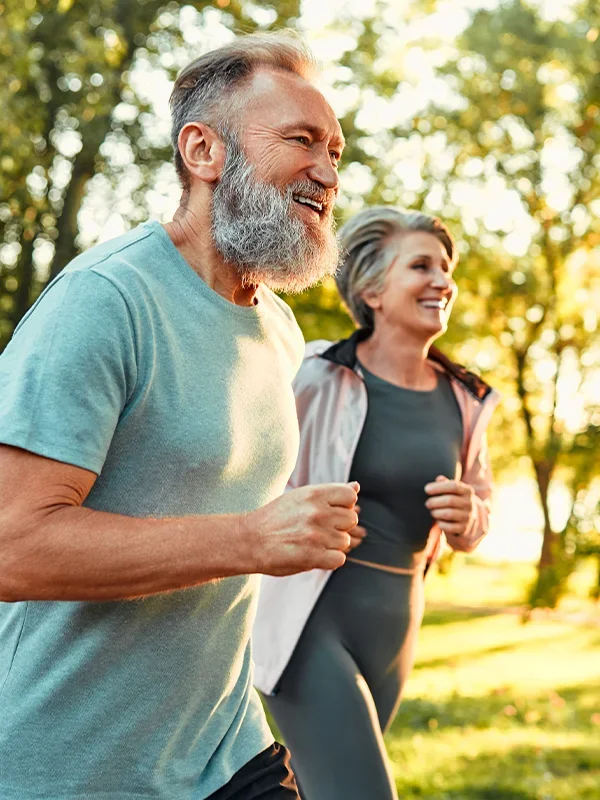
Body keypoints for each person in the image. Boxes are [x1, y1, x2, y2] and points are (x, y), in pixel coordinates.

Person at [0, 33, 362, 800]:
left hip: (226, 750)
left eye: (335, 150)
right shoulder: (105, 301)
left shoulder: (277, 328)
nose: (329, 173)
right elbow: (11, 547)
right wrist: (252, 538)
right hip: (72, 764)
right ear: (204, 150)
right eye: (301, 141)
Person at [253, 206, 500, 799]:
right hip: (310, 621)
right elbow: (255, 481)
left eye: (446, 268)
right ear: (372, 290)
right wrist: (306, 511)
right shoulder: (314, 375)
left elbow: (482, 507)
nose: (443, 280)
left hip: (396, 623)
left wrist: (472, 516)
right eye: (421, 266)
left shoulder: (467, 399)